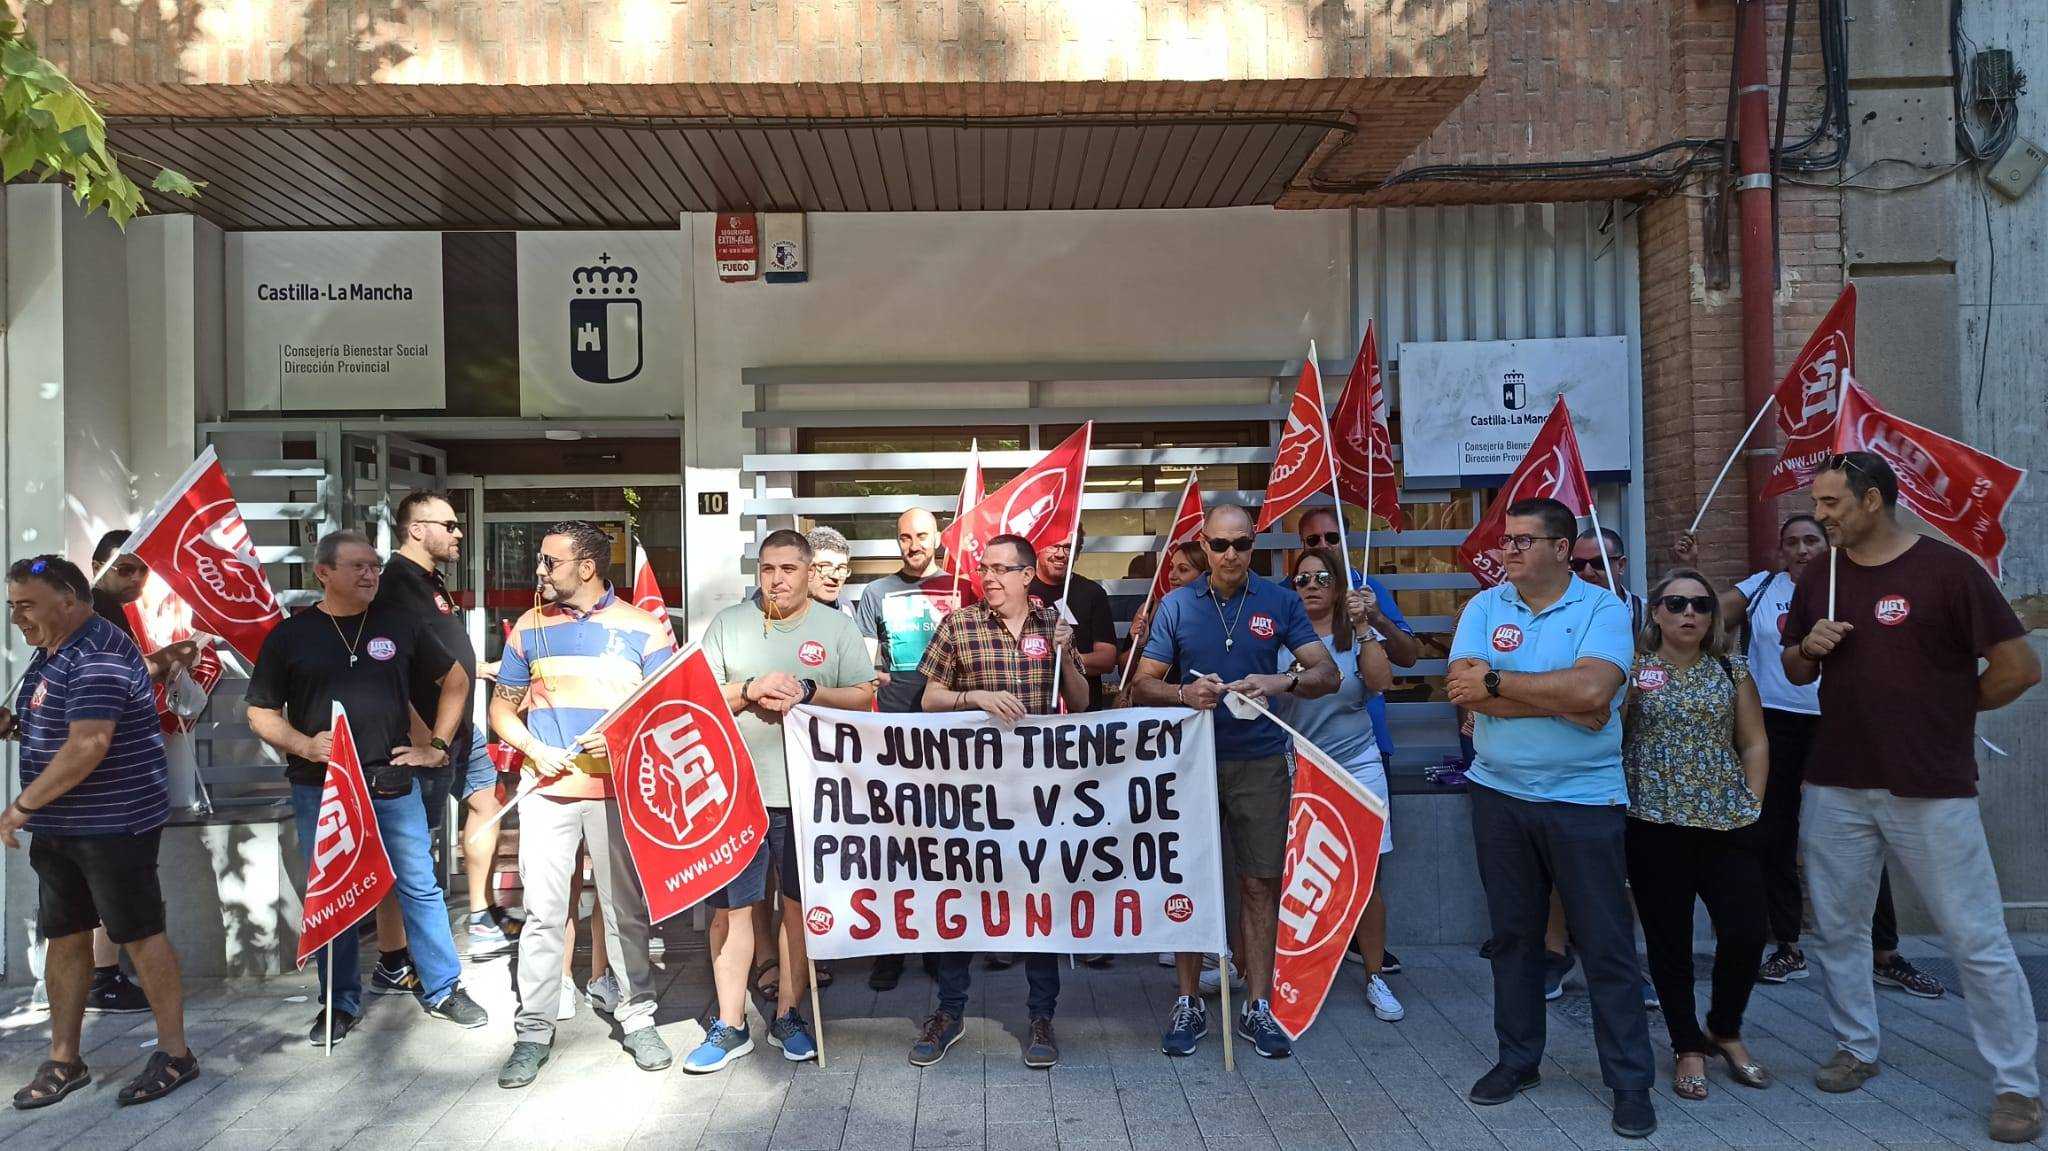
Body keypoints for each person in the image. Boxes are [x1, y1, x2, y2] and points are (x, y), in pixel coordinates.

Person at [1782, 452, 2042, 1143]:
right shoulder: (1820, 574)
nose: (1821, 514)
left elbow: (2019, 668)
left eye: (1832, 501)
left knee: (1975, 937)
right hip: (1836, 781)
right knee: (1838, 927)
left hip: (1931, 787)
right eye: (1819, 501)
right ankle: (1855, 1046)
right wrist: (1808, 645)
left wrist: (1950, 713)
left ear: (1872, 501)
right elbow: (1794, 668)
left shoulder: (1949, 571)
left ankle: (2017, 1083)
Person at [1445, 497, 1654, 1139]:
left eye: (1521, 541)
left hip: (1583, 800)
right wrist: (1559, 697)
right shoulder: (1484, 606)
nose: (1506, 550)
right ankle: (1518, 1061)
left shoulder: (1601, 608)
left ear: (1562, 549)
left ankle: (1629, 1083)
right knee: (1514, 938)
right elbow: (1460, 688)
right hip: (1499, 796)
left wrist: (1500, 687)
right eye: (1506, 540)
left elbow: (1596, 694)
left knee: (1605, 943)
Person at [1674, 519, 1945, 998]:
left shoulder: (1852, 586)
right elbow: (1705, 617)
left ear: (1829, 544)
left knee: (1864, 833)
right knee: (1772, 836)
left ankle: (1884, 952)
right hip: (1773, 725)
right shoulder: (1761, 588)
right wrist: (1690, 569)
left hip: (1842, 722)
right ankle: (1788, 946)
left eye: (1811, 541)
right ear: (1780, 551)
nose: (1801, 550)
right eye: (1792, 543)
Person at [245, 530, 488, 1045]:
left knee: (419, 885)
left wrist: (438, 747)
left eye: (374, 566)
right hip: (322, 788)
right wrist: (304, 745)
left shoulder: (400, 624)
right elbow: (260, 712)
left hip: (391, 782)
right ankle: (338, 1002)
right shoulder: (292, 635)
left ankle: (444, 987)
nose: (370, 575)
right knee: (334, 892)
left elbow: (456, 681)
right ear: (323, 573)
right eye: (356, 566)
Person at [1128, 502, 1339, 1060]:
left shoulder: (1280, 599)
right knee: (1191, 882)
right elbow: (1140, 685)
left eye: (1241, 545)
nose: (1229, 556)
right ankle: (1188, 1000)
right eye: (1219, 546)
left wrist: (1278, 680)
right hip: (1191, 761)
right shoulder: (1177, 603)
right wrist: (1182, 693)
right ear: (1204, 543)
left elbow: (1327, 673)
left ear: (1255, 545)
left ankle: (1259, 1005)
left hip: (1260, 760)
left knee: (1259, 882)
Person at [1, 556, 197, 1108]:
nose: (16, 616)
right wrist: (14, 726)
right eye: (12, 605)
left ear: (68, 600)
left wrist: (19, 808)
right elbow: (63, 729)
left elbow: (89, 745)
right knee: (64, 936)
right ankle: (65, 1058)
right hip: (62, 825)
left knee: (139, 933)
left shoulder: (99, 652)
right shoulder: (50, 652)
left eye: (26, 604)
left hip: (114, 825)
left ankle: (177, 1054)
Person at [487, 521, 673, 1087]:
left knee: (623, 911)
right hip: (546, 793)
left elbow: (665, 712)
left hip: (619, 795)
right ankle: (534, 1030)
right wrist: (531, 748)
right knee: (543, 914)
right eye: (541, 560)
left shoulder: (643, 628)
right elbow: (500, 710)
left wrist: (619, 737)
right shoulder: (527, 626)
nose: (539, 571)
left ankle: (638, 1017)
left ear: (587, 567)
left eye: (550, 562)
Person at [694, 529, 877, 1073]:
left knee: (797, 908)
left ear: (808, 571)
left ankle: (790, 1014)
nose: (777, 580)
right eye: (768, 569)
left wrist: (809, 692)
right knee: (731, 911)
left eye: (789, 569)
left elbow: (865, 695)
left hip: (808, 796)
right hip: (735, 794)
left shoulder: (836, 628)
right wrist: (748, 689)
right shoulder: (729, 624)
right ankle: (729, 1024)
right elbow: (698, 696)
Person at [912, 534, 1089, 1069]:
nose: (988, 577)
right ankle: (949, 1011)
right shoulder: (960, 625)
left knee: (1039, 899)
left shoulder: (1053, 625)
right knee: (963, 896)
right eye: (984, 568)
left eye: (1000, 569)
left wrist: (1067, 655)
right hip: (972, 790)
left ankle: (1041, 1015)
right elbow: (928, 699)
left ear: (1027, 574)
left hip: (1038, 792)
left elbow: (1079, 703)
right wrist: (975, 698)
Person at [1621, 569, 1771, 1102]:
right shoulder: (1635, 672)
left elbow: (1753, 741)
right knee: (1669, 941)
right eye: (1677, 603)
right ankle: (1686, 1043)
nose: (1690, 613)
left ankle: (1724, 1029)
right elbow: (1613, 738)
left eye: (1702, 605)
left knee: (1748, 930)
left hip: (1726, 821)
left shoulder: (1732, 670)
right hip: (1654, 823)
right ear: (1656, 611)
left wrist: (1752, 803)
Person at [1271, 547, 1401, 1023]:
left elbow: (1382, 682)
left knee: (1366, 877)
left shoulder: (1353, 632)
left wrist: (1367, 625)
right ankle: (1288, 972)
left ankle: (1375, 976)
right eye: (1301, 579)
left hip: (1356, 764)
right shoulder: (1281, 635)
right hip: (1296, 766)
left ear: (1338, 585)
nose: (1310, 585)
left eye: (1322, 577)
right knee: (1290, 873)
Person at [82, 531, 210, 1014]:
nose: (136, 578)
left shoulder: (110, 612)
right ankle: (102, 978)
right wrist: (167, 660)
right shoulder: (94, 613)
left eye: (142, 570)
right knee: (116, 886)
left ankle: (101, 975)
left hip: (116, 773)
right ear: (97, 566)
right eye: (124, 569)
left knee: (110, 885)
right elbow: (119, 674)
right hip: (106, 779)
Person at [371, 492, 490, 976]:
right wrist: (427, 743)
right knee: (409, 854)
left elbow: (439, 656)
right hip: (423, 741)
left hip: (458, 729)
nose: (459, 532)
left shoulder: (428, 581)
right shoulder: (393, 585)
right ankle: (393, 959)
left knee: (485, 801)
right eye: (450, 524)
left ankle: (481, 913)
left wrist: (483, 669)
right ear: (417, 529)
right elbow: (391, 676)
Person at [1294, 506, 1416, 975]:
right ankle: (1322, 949)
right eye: (1313, 541)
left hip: (1365, 749)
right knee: (1305, 865)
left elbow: (1406, 658)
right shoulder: (1290, 606)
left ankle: (1368, 953)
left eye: (1330, 538)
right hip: (1300, 761)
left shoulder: (1369, 591)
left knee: (1366, 865)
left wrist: (1375, 619)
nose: (1323, 547)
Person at [853, 507, 955, 991]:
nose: (913, 544)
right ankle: (891, 949)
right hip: (892, 732)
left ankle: (940, 946)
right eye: (904, 537)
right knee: (894, 844)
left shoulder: (961, 587)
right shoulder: (876, 593)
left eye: (921, 535)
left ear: (937, 537)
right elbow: (867, 662)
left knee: (941, 843)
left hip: (949, 735)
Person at [1028, 525, 1118, 710]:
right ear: (1038, 547)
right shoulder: (1021, 589)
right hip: (1033, 713)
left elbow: (1107, 660)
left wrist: (1056, 660)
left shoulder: (1092, 593)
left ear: (1077, 553)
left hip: (1083, 714)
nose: (1061, 554)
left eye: (1068, 547)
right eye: (1053, 546)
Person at [806, 525, 854, 613]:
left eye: (841, 568)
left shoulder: (846, 608)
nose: (835, 576)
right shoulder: (780, 612)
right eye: (826, 567)